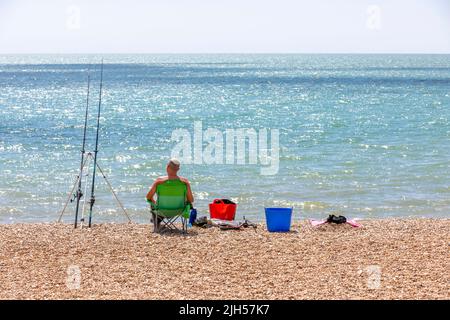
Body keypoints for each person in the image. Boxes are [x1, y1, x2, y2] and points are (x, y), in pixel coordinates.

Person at [146, 158, 194, 226]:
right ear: (178, 169)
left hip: (161, 211)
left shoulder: (159, 181)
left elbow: (148, 197)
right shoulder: (185, 182)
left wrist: (153, 202)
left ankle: (156, 223)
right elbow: (191, 200)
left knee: (152, 203)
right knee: (187, 202)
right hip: (178, 210)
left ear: (167, 167)